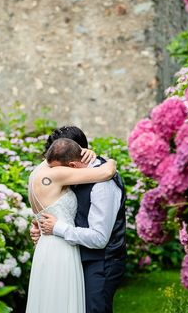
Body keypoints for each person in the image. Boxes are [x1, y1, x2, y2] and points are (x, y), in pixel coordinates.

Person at [32, 126, 128, 313]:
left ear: (74, 160)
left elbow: (99, 238)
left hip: (101, 262)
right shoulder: (76, 175)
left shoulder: (103, 184)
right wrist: (40, 225)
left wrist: (57, 228)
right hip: (76, 257)